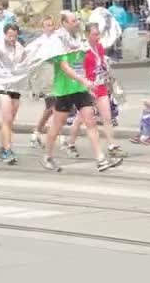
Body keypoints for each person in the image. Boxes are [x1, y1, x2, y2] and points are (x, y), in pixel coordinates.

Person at [39, 11, 123, 173]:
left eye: (77, 19)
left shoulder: (78, 38)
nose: (77, 22)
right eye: (73, 20)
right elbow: (64, 66)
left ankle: (100, 159)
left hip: (80, 89)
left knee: (90, 122)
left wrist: (88, 81)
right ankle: (48, 156)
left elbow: (82, 61)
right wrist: (83, 80)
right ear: (64, 23)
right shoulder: (58, 40)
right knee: (57, 125)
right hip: (64, 89)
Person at [65, 23, 127, 158]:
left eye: (98, 34)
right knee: (80, 119)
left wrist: (108, 79)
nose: (97, 37)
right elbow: (78, 70)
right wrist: (84, 86)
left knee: (107, 117)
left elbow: (102, 65)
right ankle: (70, 143)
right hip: (88, 88)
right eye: (94, 34)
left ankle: (112, 146)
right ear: (87, 34)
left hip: (100, 86)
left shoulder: (99, 47)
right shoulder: (82, 50)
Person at [0, 24, 26, 164]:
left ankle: (1, 147)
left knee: (10, 120)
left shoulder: (20, 48)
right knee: (7, 118)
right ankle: (8, 150)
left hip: (15, 86)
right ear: (4, 34)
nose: (12, 38)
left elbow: (24, 65)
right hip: (2, 85)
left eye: (14, 35)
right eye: (9, 35)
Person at [30, 15, 57, 149]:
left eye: (51, 25)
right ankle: (39, 133)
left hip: (57, 75)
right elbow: (30, 56)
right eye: (47, 25)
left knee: (52, 109)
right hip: (46, 76)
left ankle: (36, 133)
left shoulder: (57, 39)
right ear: (43, 27)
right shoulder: (39, 42)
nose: (50, 28)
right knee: (52, 107)